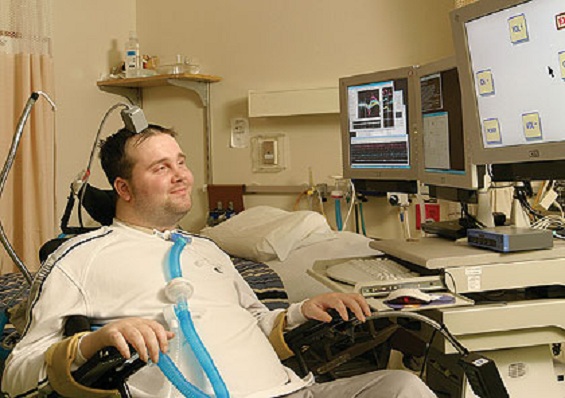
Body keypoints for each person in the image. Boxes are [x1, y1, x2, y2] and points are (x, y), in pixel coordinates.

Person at [2, 125, 436, 398]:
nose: (181, 175)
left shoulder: (207, 251)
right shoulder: (80, 258)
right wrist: (91, 343)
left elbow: (258, 325)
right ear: (124, 188)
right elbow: (17, 376)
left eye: (181, 162)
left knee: (401, 386)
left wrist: (302, 311)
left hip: (287, 391)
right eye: (160, 167)